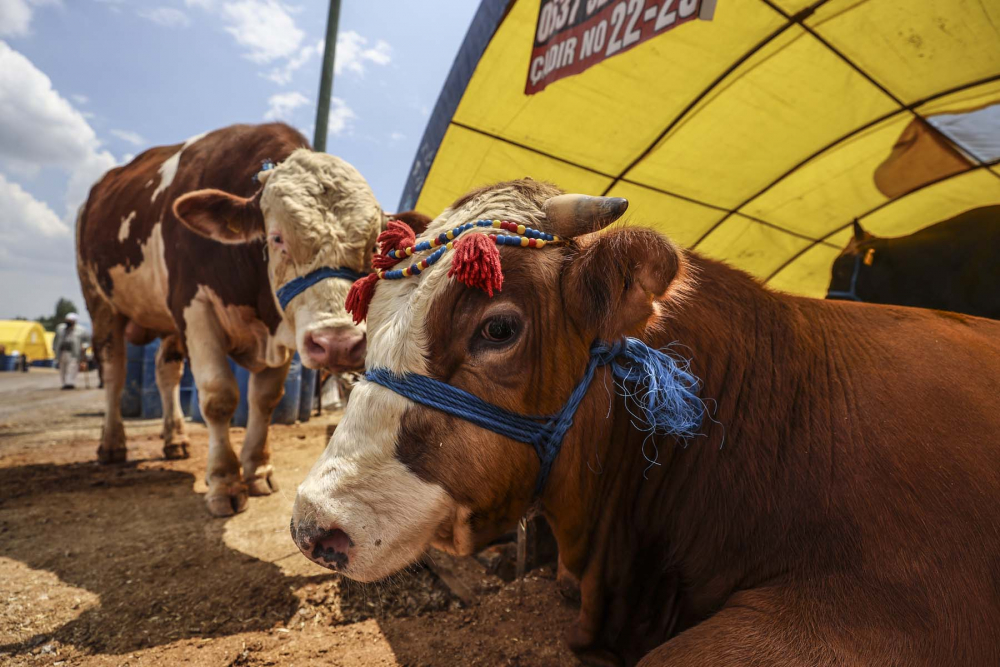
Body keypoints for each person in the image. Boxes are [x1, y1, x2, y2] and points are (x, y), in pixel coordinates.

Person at [53, 313, 88, 389]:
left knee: (72, 368)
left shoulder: (81, 330)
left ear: (74, 321)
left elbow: (86, 341)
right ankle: (65, 383)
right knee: (63, 368)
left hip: (73, 352)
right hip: (62, 352)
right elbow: (55, 340)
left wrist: (84, 347)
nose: (68, 322)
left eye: (70, 321)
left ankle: (70, 383)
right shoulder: (60, 329)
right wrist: (54, 349)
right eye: (67, 320)